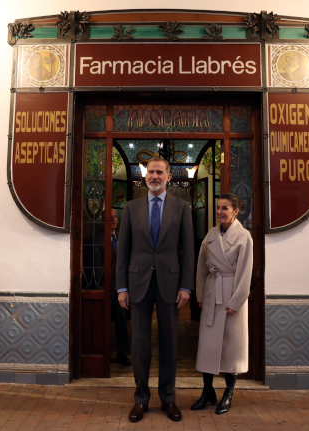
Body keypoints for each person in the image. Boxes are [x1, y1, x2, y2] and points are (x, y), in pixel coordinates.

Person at [116, 156, 194, 423]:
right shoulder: (131, 208)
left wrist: (186, 285)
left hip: (170, 285)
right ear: (144, 175)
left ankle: (169, 399)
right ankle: (140, 399)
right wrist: (121, 287)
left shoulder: (182, 207)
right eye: (151, 172)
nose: (155, 176)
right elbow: (123, 252)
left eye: (160, 172)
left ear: (168, 177)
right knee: (139, 345)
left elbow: (188, 251)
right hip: (137, 284)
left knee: (169, 344)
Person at [191, 193, 253, 415]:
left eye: (224, 208)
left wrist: (237, 301)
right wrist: (200, 296)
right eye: (218, 207)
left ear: (236, 211)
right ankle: (207, 391)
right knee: (207, 346)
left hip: (232, 295)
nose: (219, 211)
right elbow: (201, 267)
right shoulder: (211, 234)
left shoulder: (244, 237)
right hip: (211, 293)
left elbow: (246, 272)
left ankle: (228, 392)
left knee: (231, 348)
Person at [109, 209, 131, 366]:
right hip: (104, 287)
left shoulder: (121, 238)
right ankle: (103, 354)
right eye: (110, 217)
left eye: (115, 217)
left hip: (120, 287)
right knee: (103, 322)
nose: (113, 219)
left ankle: (122, 354)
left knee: (121, 321)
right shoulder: (97, 238)